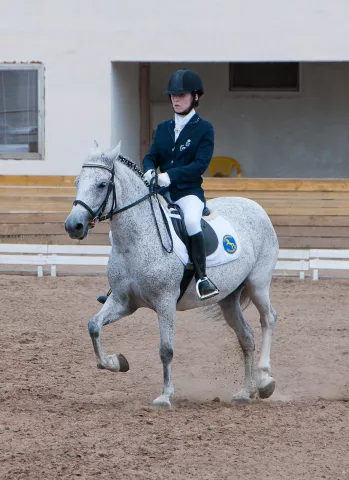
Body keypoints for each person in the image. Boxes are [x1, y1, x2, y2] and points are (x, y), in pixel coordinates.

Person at [97, 69, 219, 304]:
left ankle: (202, 278)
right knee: (126, 224)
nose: (175, 99)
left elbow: (200, 165)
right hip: (159, 192)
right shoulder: (164, 128)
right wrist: (151, 168)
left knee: (192, 222)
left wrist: (170, 176)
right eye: (173, 95)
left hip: (188, 192)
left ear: (195, 97)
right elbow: (151, 155)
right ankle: (119, 282)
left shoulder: (204, 129)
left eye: (181, 95)